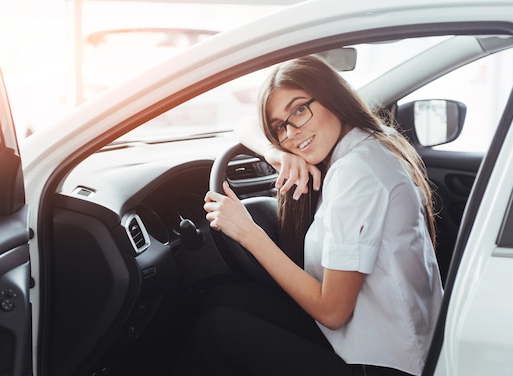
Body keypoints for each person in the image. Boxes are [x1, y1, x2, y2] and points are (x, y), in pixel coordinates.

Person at [176, 55, 443, 376]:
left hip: (383, 364)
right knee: (225, 297)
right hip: (372, 341)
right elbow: (244, 125)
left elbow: (332, 311)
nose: (292, 132)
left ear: (332, 97)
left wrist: (248, 232)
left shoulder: (356, 172)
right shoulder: (367, 143)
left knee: (217, 329)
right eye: (280, 126)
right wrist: (274, 151)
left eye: (300, 110)